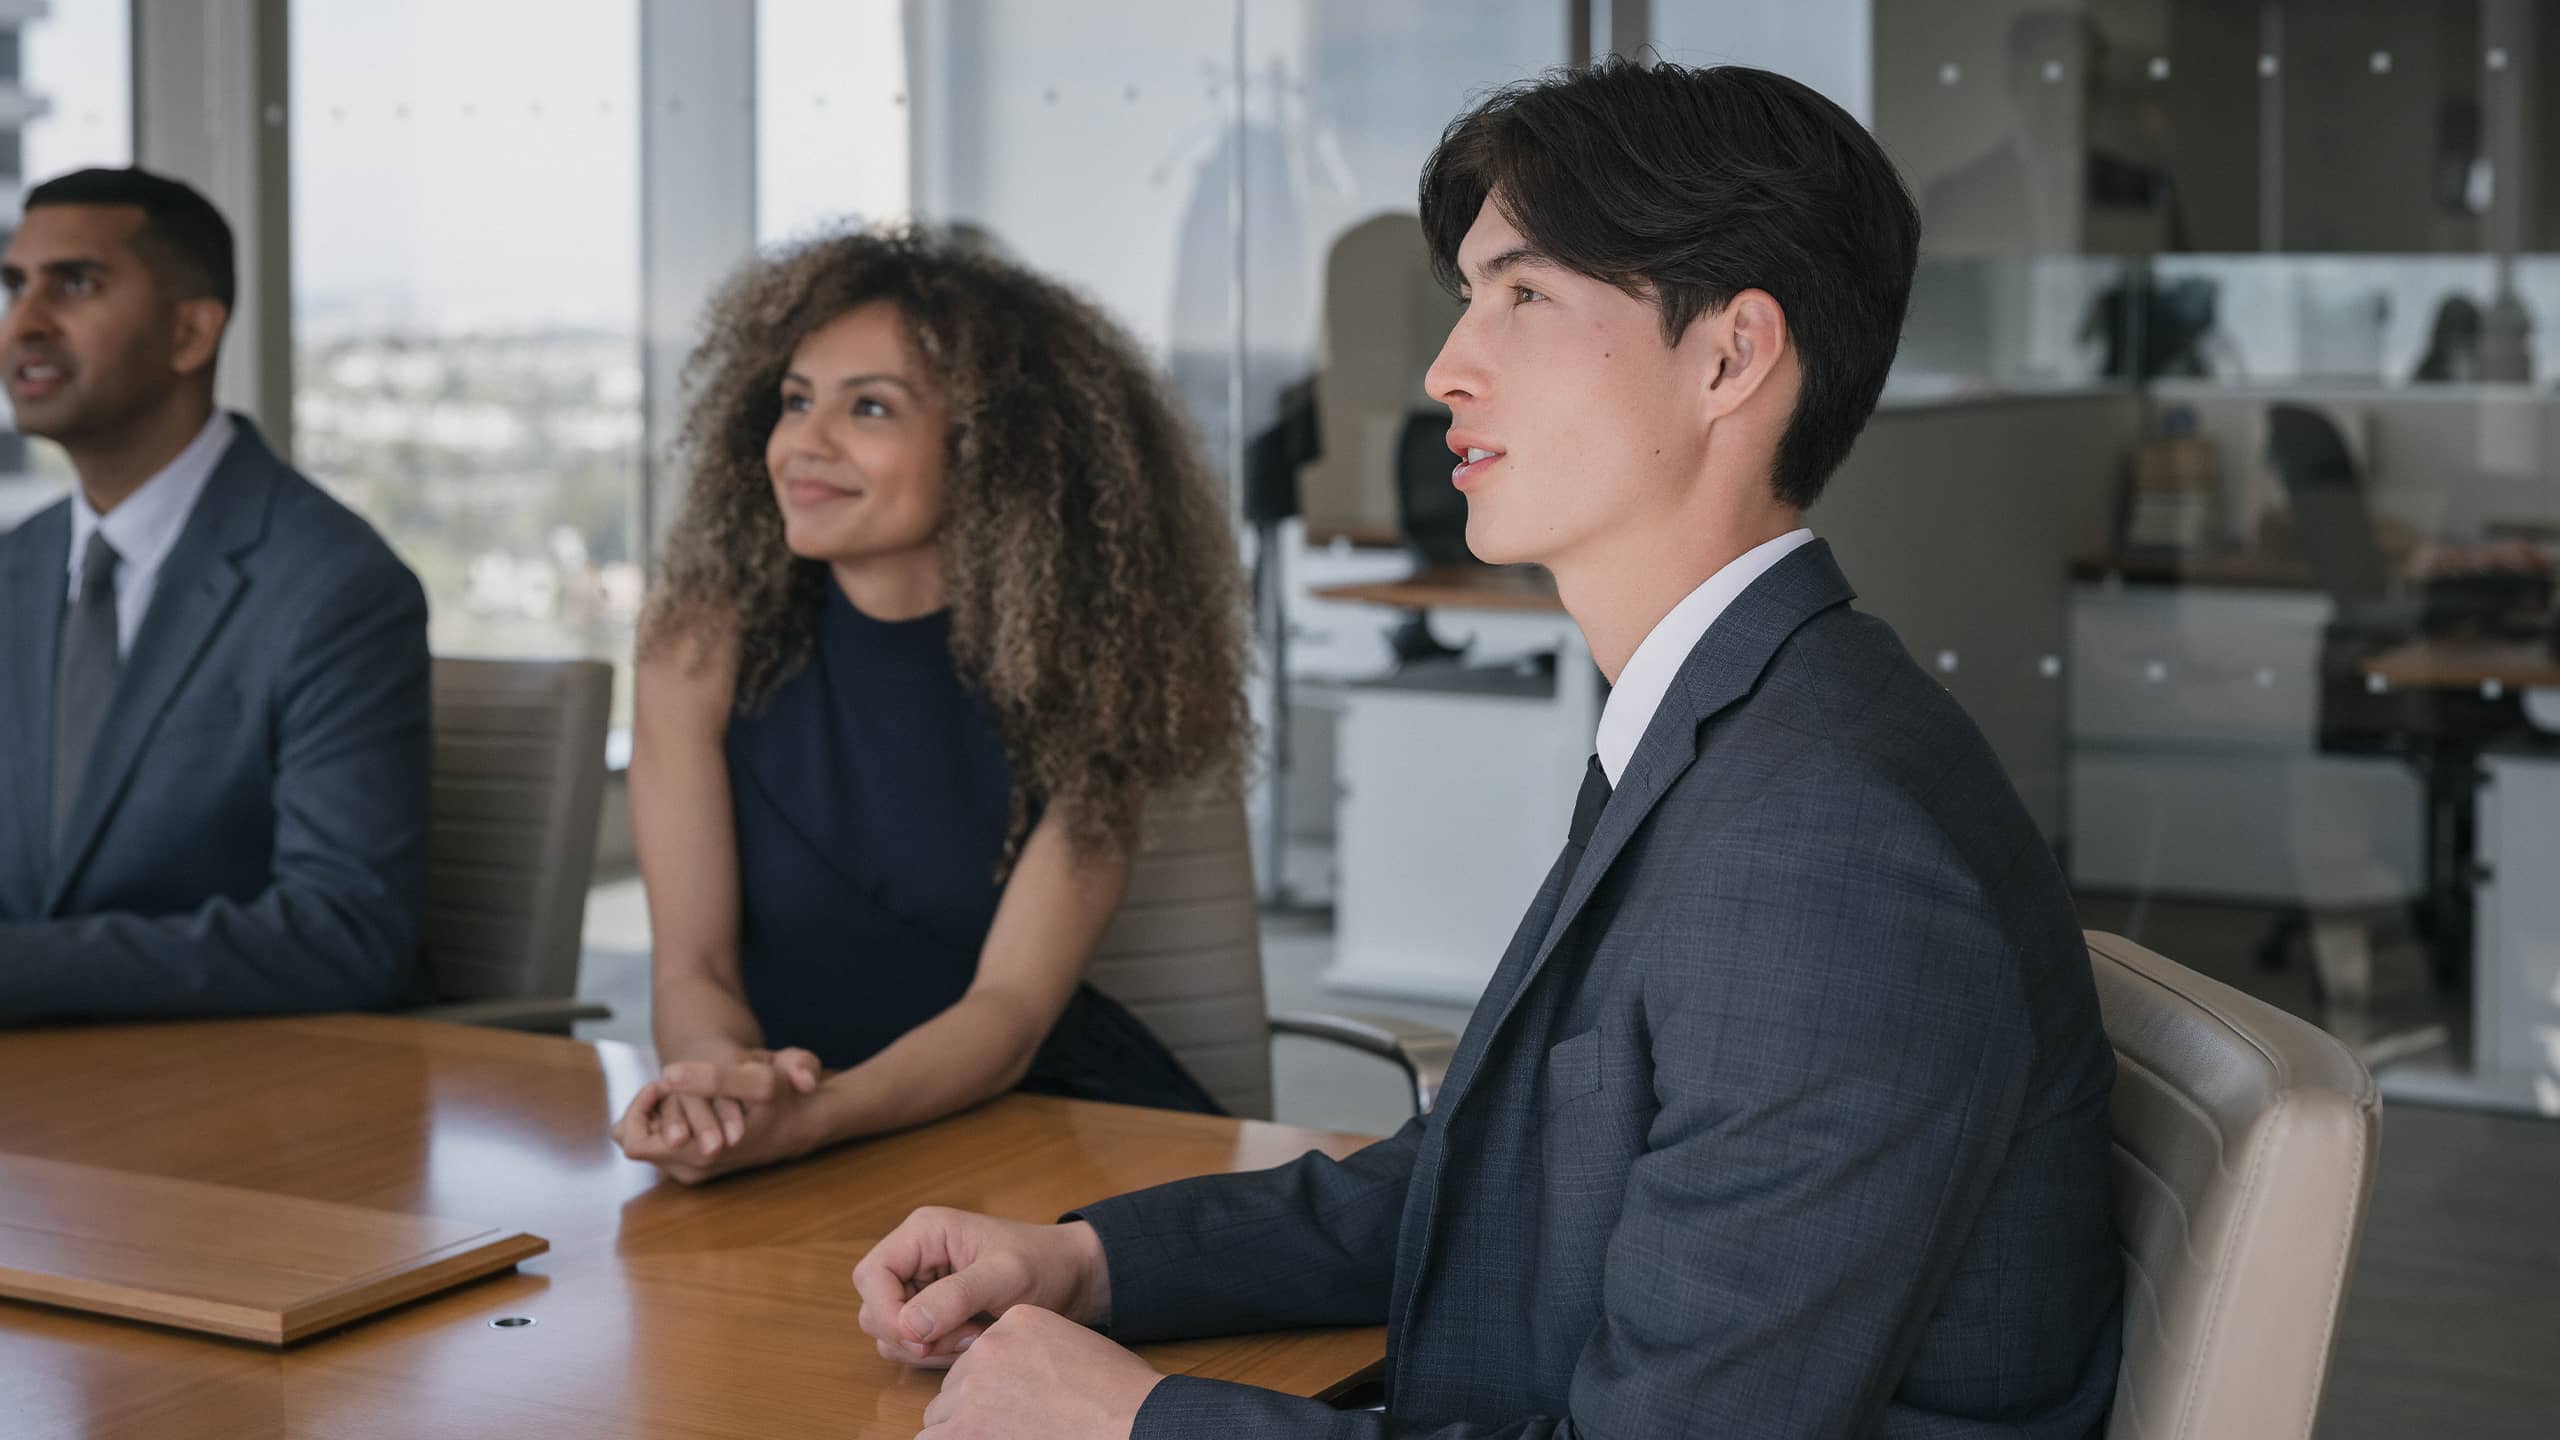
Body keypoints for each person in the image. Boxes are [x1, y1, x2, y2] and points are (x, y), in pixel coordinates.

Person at [852, 61, 2125, 1438]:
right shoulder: (1742, 725)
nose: (1446, 368)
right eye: (1469, 297)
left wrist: (1138, 1424)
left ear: (1730, 357)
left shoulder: (1822, 847)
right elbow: (1504, 1174)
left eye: (1523, 297)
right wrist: (1092, 1262)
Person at [611, 227, 1250, 1185]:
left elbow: (1009, 1016)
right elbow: (691, 970)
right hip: (798, 1148)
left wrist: (814, 1117)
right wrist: (720, 1089)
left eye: (869, 407)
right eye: (795, 400)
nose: (803, 444)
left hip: (1048, 1131)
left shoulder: (1090, 671)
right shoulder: (695, 646)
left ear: (996, 453)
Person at [0, 168, 429, 1021]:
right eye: (15, 286)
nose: (25, 322)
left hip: (230, 1083)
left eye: (75, 283)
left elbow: (344, 933)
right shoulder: (13, 569)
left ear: (191, 332)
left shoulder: (336, 587)